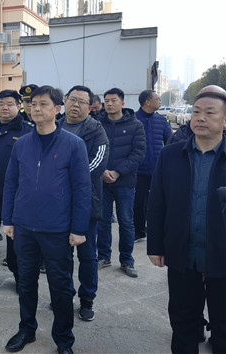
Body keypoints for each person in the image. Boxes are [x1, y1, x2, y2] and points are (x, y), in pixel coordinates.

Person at [2, 85, 91, 354]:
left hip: (57, 229)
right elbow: (10, 183)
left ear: (57, 109)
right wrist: (8, 219)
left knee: (61, 287)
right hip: (24, 227)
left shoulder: (74, 145)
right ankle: (26, 329)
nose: (36, 109)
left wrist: (78, 228)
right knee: (26, 283)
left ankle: (63, 339)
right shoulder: (22, 144)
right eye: (32, 104)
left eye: (42, 104)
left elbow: (82, 188)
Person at [147, 90, 226, 354]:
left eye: (210, 113)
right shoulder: (170, 155)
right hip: (182, 252)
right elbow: (157, 203)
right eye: (196, 112)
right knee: (182, 321)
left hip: (222, 254)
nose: (200, 118)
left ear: (224, 121)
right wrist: (156, 245)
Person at [58, 85, 109, 321]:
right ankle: (63, 296)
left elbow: (97, 165)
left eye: (81, 102)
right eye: (72, 100)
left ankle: (87, 299)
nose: (75, 105)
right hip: (56, 205)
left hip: (86, 204)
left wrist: (61, 176)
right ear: (65, 101)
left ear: (90, 107)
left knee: (87, 256)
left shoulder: (96, 131)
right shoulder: (55, 125)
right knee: (60, 256)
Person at [0, 90, 34, 287]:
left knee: (15, 238)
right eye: (1, 103)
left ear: (19, 106)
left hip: (16, 194)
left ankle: (19, 275)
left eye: (10, 104)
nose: (5, 107)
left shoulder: (28, 130)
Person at [97, 88, 146, 278]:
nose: (109, 104)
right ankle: (103, 256)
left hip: (125, 181)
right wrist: (102, 172)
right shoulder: (97, 124)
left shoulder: (135, 125)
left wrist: (117, 172)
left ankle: (127, 260)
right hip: (102, 180)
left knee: (126, 221)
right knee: (102, 220)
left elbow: (138, 153)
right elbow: (92, 150)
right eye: (106, 100)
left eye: (113, 100)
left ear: (122, 103)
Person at [133, 90, 172, 243]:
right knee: (138, 202)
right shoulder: (133, 120)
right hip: (139, 170)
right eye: (157, 99)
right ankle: (139, 232)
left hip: (158, 169)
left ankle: (157, 230)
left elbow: (170, 141)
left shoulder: (162, 121)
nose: (160, 102)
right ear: (147, 102)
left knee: (158, 202)